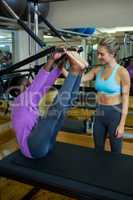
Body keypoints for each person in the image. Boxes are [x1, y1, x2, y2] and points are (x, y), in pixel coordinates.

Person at [11, 50, 88, 159]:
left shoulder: (31, 99)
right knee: (54, 111)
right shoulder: (19, 102)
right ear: (16, 92)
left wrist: (62, 62)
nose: (29, 86)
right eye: (26, 86)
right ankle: (75, 70)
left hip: (47, 145)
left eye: (29, 84)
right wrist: (51, 60)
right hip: (32, 148)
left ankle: (79, 72)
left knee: (63, 109)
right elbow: (38, 82)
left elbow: (46, 83)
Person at [63, 37, 131, 154]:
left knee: (116, 151)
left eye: (101, 54)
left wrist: (122, 125)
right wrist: (61, 68)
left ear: (112, 54)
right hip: (99, 113)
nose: (98, 57)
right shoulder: (97, 70)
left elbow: (125, 100)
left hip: (115, 115)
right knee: (97, 149)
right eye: (97, 53)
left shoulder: (122, 72)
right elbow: (78, 80)